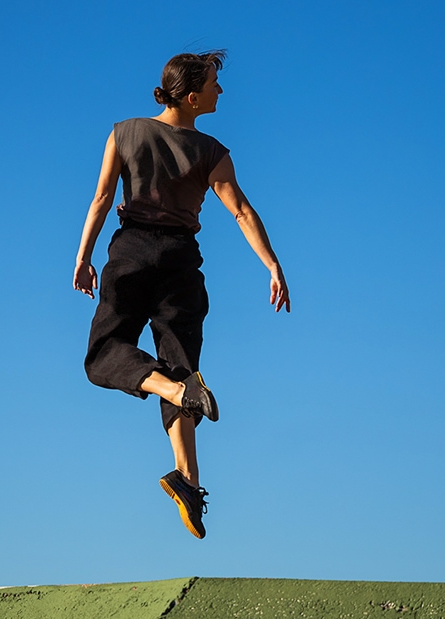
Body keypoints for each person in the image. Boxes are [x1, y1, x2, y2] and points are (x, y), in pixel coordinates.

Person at [73, 51, 290, 539]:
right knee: (179, 367)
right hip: (180, 263)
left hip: (129, 253)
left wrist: (83, 256)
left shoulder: (123, 132)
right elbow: (241, 212)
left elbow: (103, 199)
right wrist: (272, 264)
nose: (220, 91)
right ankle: (187, 464)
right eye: (215, 84)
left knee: (105, 356)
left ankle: (187, 473)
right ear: (191, 96)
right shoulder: (212, 150)